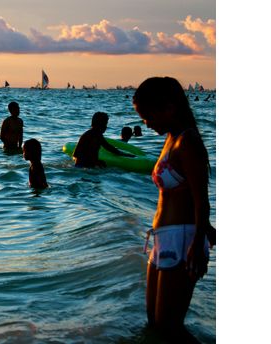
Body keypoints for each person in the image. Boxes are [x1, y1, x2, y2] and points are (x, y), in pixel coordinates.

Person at [133, 76, 216, 341]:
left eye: (148, 116)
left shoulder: (187, 142)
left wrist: (199, 239)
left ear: (169, 109)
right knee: (155, 326)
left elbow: (201, 198)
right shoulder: (172, 138)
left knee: (169, 329)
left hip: (183, 240)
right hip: (164, 238)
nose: (146, 123)